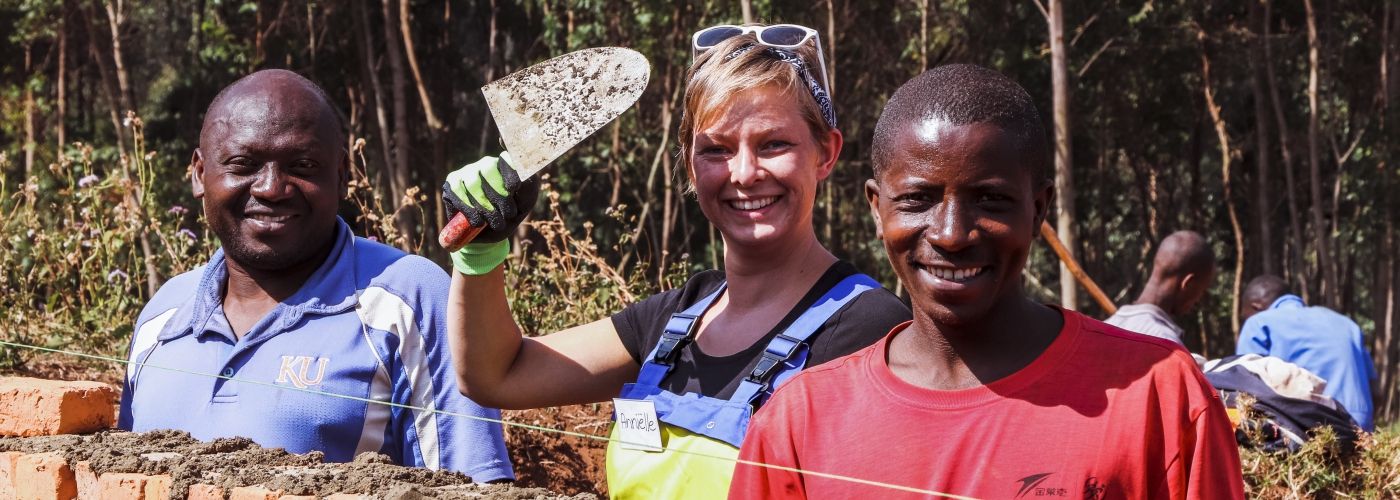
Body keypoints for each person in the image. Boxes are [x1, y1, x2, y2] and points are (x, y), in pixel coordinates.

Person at [730, 64, 1244, 499]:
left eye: (991, 199)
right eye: (917, 200)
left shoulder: (1158, 395)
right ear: (876, 207)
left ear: (1038, 208)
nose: (952, 234)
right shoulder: (798, 421)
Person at [442, 24, 910, 499]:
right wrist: (480, 255)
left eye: (773, 144)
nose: (744, 174)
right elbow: (495, 375)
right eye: (716, 150)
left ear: (826, 153)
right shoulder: (678, 319)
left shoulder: (866, 329)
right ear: (689, 164)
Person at [117, 69, 513, 481]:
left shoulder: (407, 297)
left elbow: (472, 486)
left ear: (342, 175)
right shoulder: (163, 314)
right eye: (243, 164)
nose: (271, 188)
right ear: (200, 174)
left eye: (302, 165)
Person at [1236, 275, 1377, 431]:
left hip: (1307, 433)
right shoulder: (1347, 324)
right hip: (1360, 431)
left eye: (1244, 315)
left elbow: (1244, 388)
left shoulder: (1258, 323)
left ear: (1256, 307)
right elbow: (1374, 389)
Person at [1105, 230, 1215, 346]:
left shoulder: (1103, 329)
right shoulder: (1166, 345)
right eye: (1202, 290)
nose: (1198, 300)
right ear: (1188, 283)